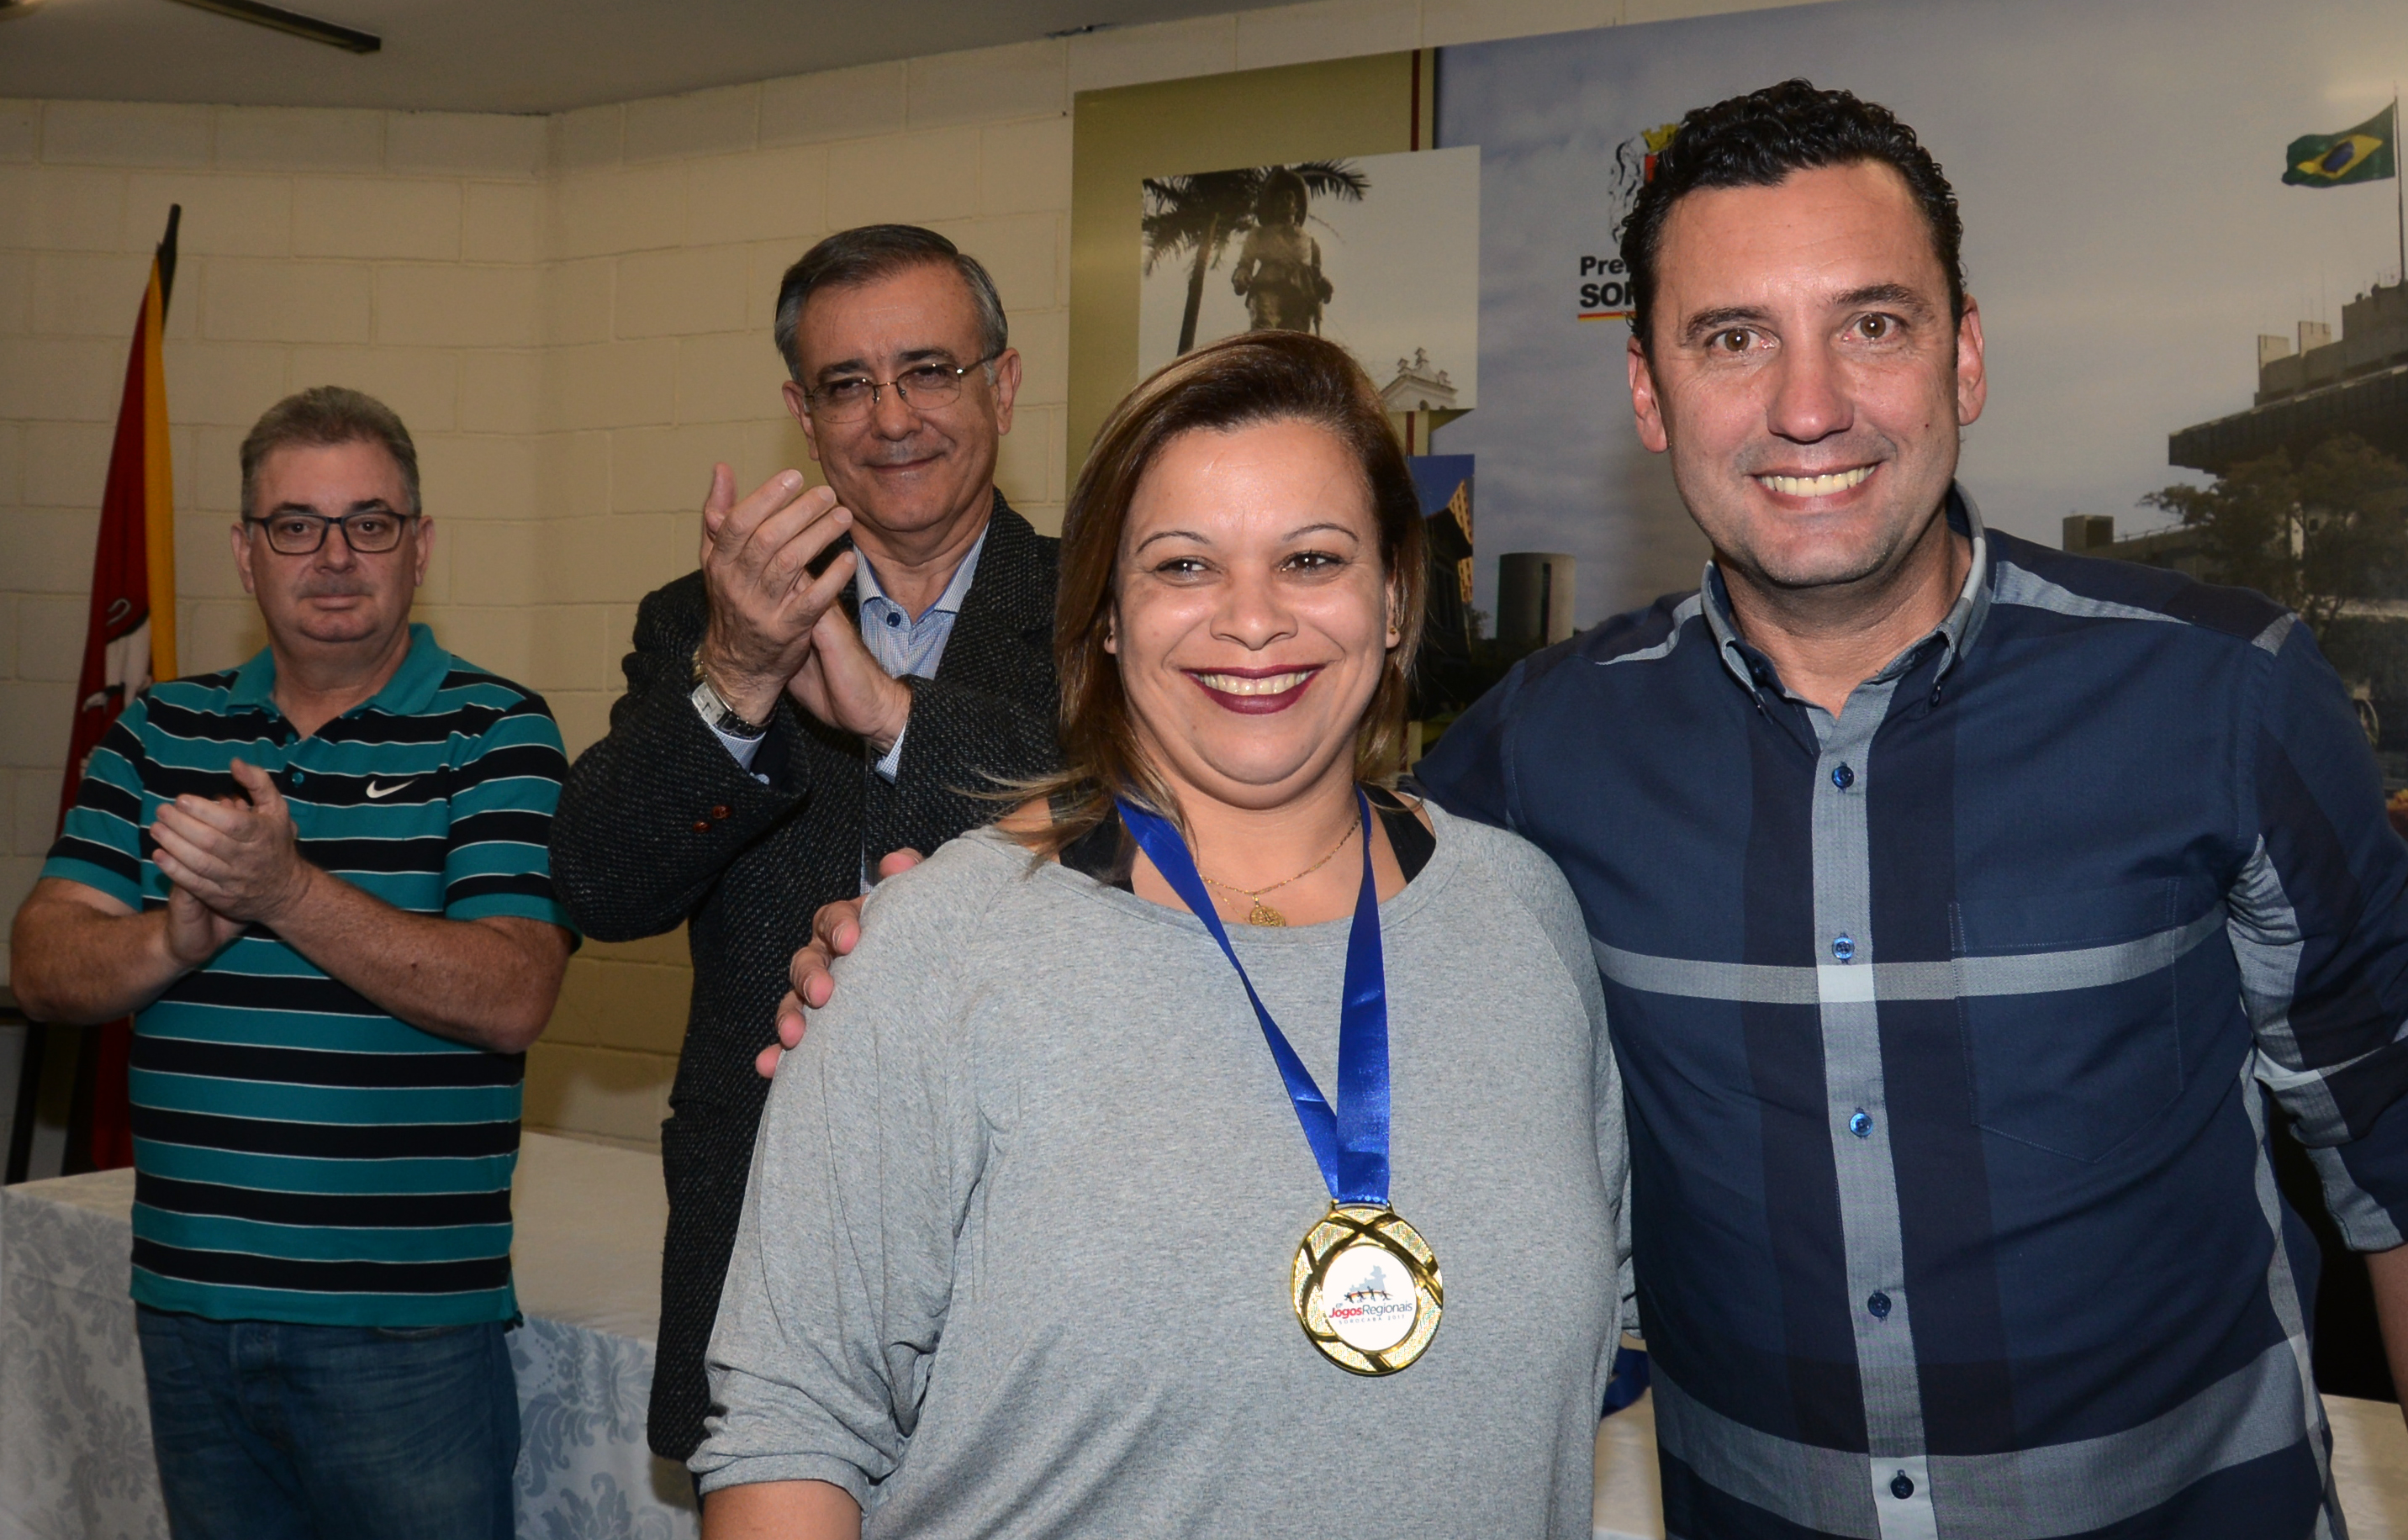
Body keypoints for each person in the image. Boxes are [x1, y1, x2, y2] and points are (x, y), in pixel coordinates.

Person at [779, 82, 2408, 1539]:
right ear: (1647, 391)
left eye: (1870, 324)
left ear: (1962, 352)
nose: (1807, 404)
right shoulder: (1538, 755)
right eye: (1730, 339)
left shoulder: (2220, 699)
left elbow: (2390, 1162)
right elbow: (1263, 869)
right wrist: (929, 958)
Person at [693, 330, 1629, 1537]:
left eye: (1311, 558)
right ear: (1108, 617)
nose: (1253, 620)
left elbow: (1602, 1324)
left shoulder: (1522, 916)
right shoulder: (937, 949)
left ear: (1395, 597)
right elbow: (788, 1432)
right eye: (1184, 566)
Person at [9, 386, 576, 1540]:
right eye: (295, 525)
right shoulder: (156, 731)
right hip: (190, 1309)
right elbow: (41, 967)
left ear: (420, 546)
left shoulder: (497, 731)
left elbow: (515, 991)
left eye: (370, 522)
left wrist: (284, 891)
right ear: (244, 551)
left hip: (408, 1332)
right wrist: (173, 936)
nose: (333, 556)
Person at [546, 224, 1059, 1473]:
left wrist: (893, 715)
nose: (892, 417)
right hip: (766, 1235)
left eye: (929, 370)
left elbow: (1145, 840)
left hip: (1034, 1231)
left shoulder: (1110, 611)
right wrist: (734, 678)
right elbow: (599, 882)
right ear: (803, 417)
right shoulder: (702, 619)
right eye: (847, 384)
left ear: (1002, 384)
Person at [1230, 167, 1332, 335]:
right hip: (1267, 287)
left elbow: (1316, 274)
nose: (1284, 201)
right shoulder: (1259, 234)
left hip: (1300, 295)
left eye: (1289, 197)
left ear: (1297, 207)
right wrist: (1241, 276)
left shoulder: (1310, 242)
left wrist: (1323, 286)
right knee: (1264, 331)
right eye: (1278, 198)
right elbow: (1245, 263)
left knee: (1296, 340)